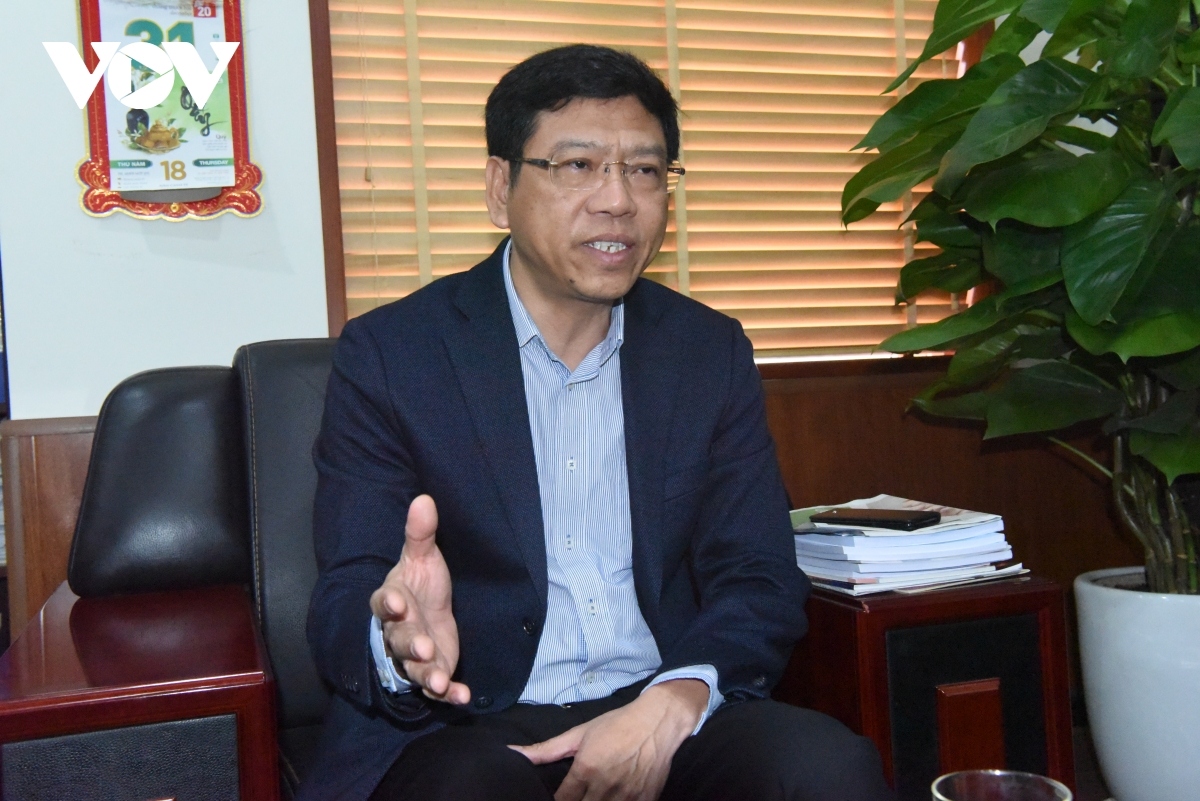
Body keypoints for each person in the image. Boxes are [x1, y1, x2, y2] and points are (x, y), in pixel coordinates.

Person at [302, 44, 893, 801]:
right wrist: (401, 643)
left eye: (644, 170)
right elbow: (348, 586)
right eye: (577, 165)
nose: (617, 200)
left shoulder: (706, 351)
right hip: (469, 719)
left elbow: (758, 571)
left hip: (657, 701)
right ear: (500, 188)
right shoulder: (394, 354)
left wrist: (676, 698)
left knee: (825, 770)